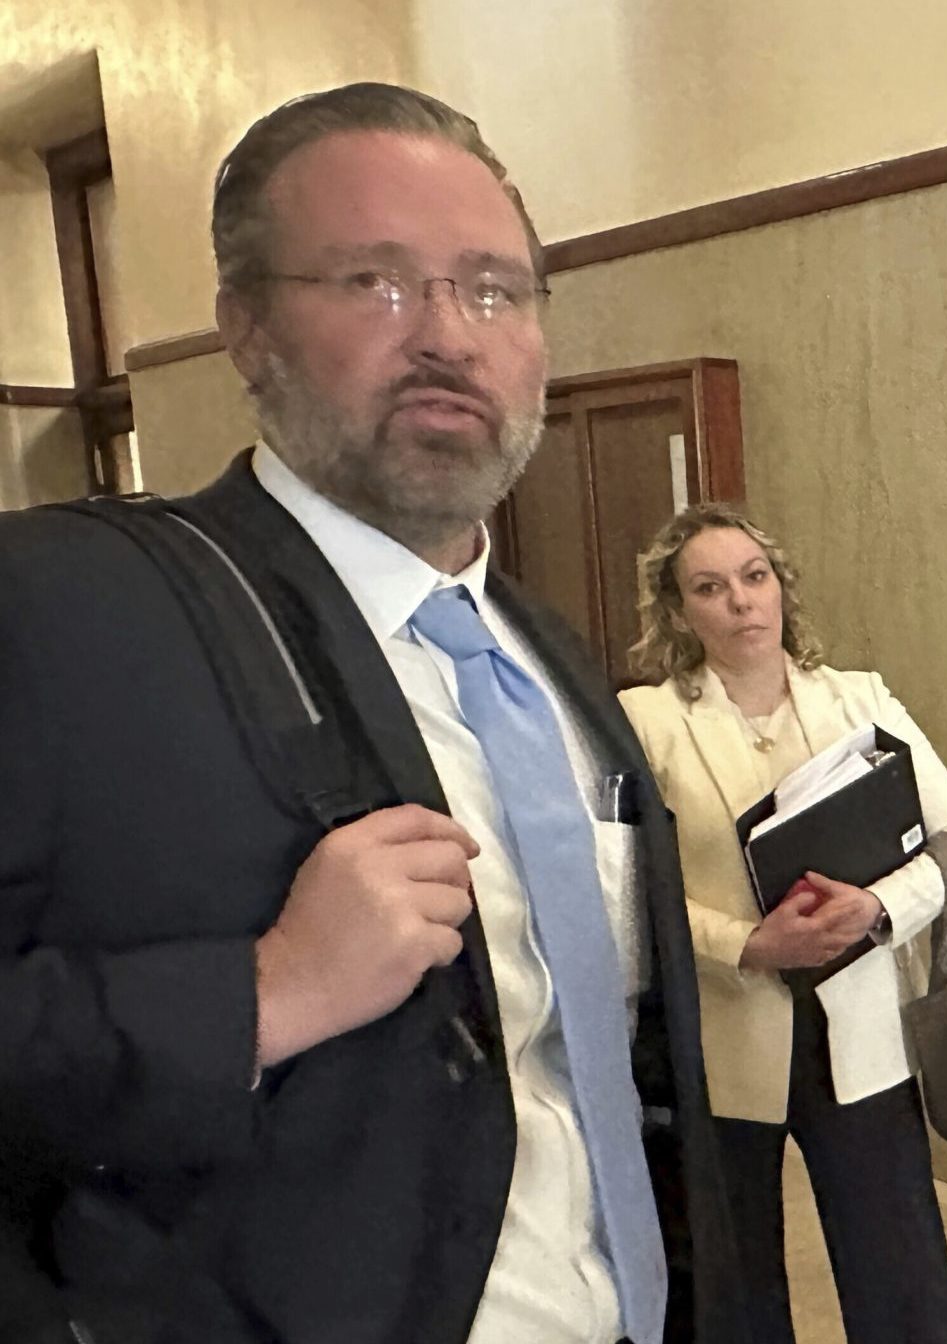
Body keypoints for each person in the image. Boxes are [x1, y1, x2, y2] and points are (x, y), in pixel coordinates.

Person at [0, 84, 746, 1342]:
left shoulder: (553, 661)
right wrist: (261, 993)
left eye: (494, 288)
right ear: (247, 327)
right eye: (374, 282)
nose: (449, 335)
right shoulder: (67, 615)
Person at [620, 502, 947, 1344]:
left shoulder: (860, 701)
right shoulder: (648, 722)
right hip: (725, 1040)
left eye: (755, 578)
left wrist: (881, 908)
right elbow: (627, 892)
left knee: (901, 1272)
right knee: (734, 1286)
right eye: (710, 588)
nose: (742, 602)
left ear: (781, 588)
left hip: (858, 1038)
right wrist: (744, 943)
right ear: (679, 612)